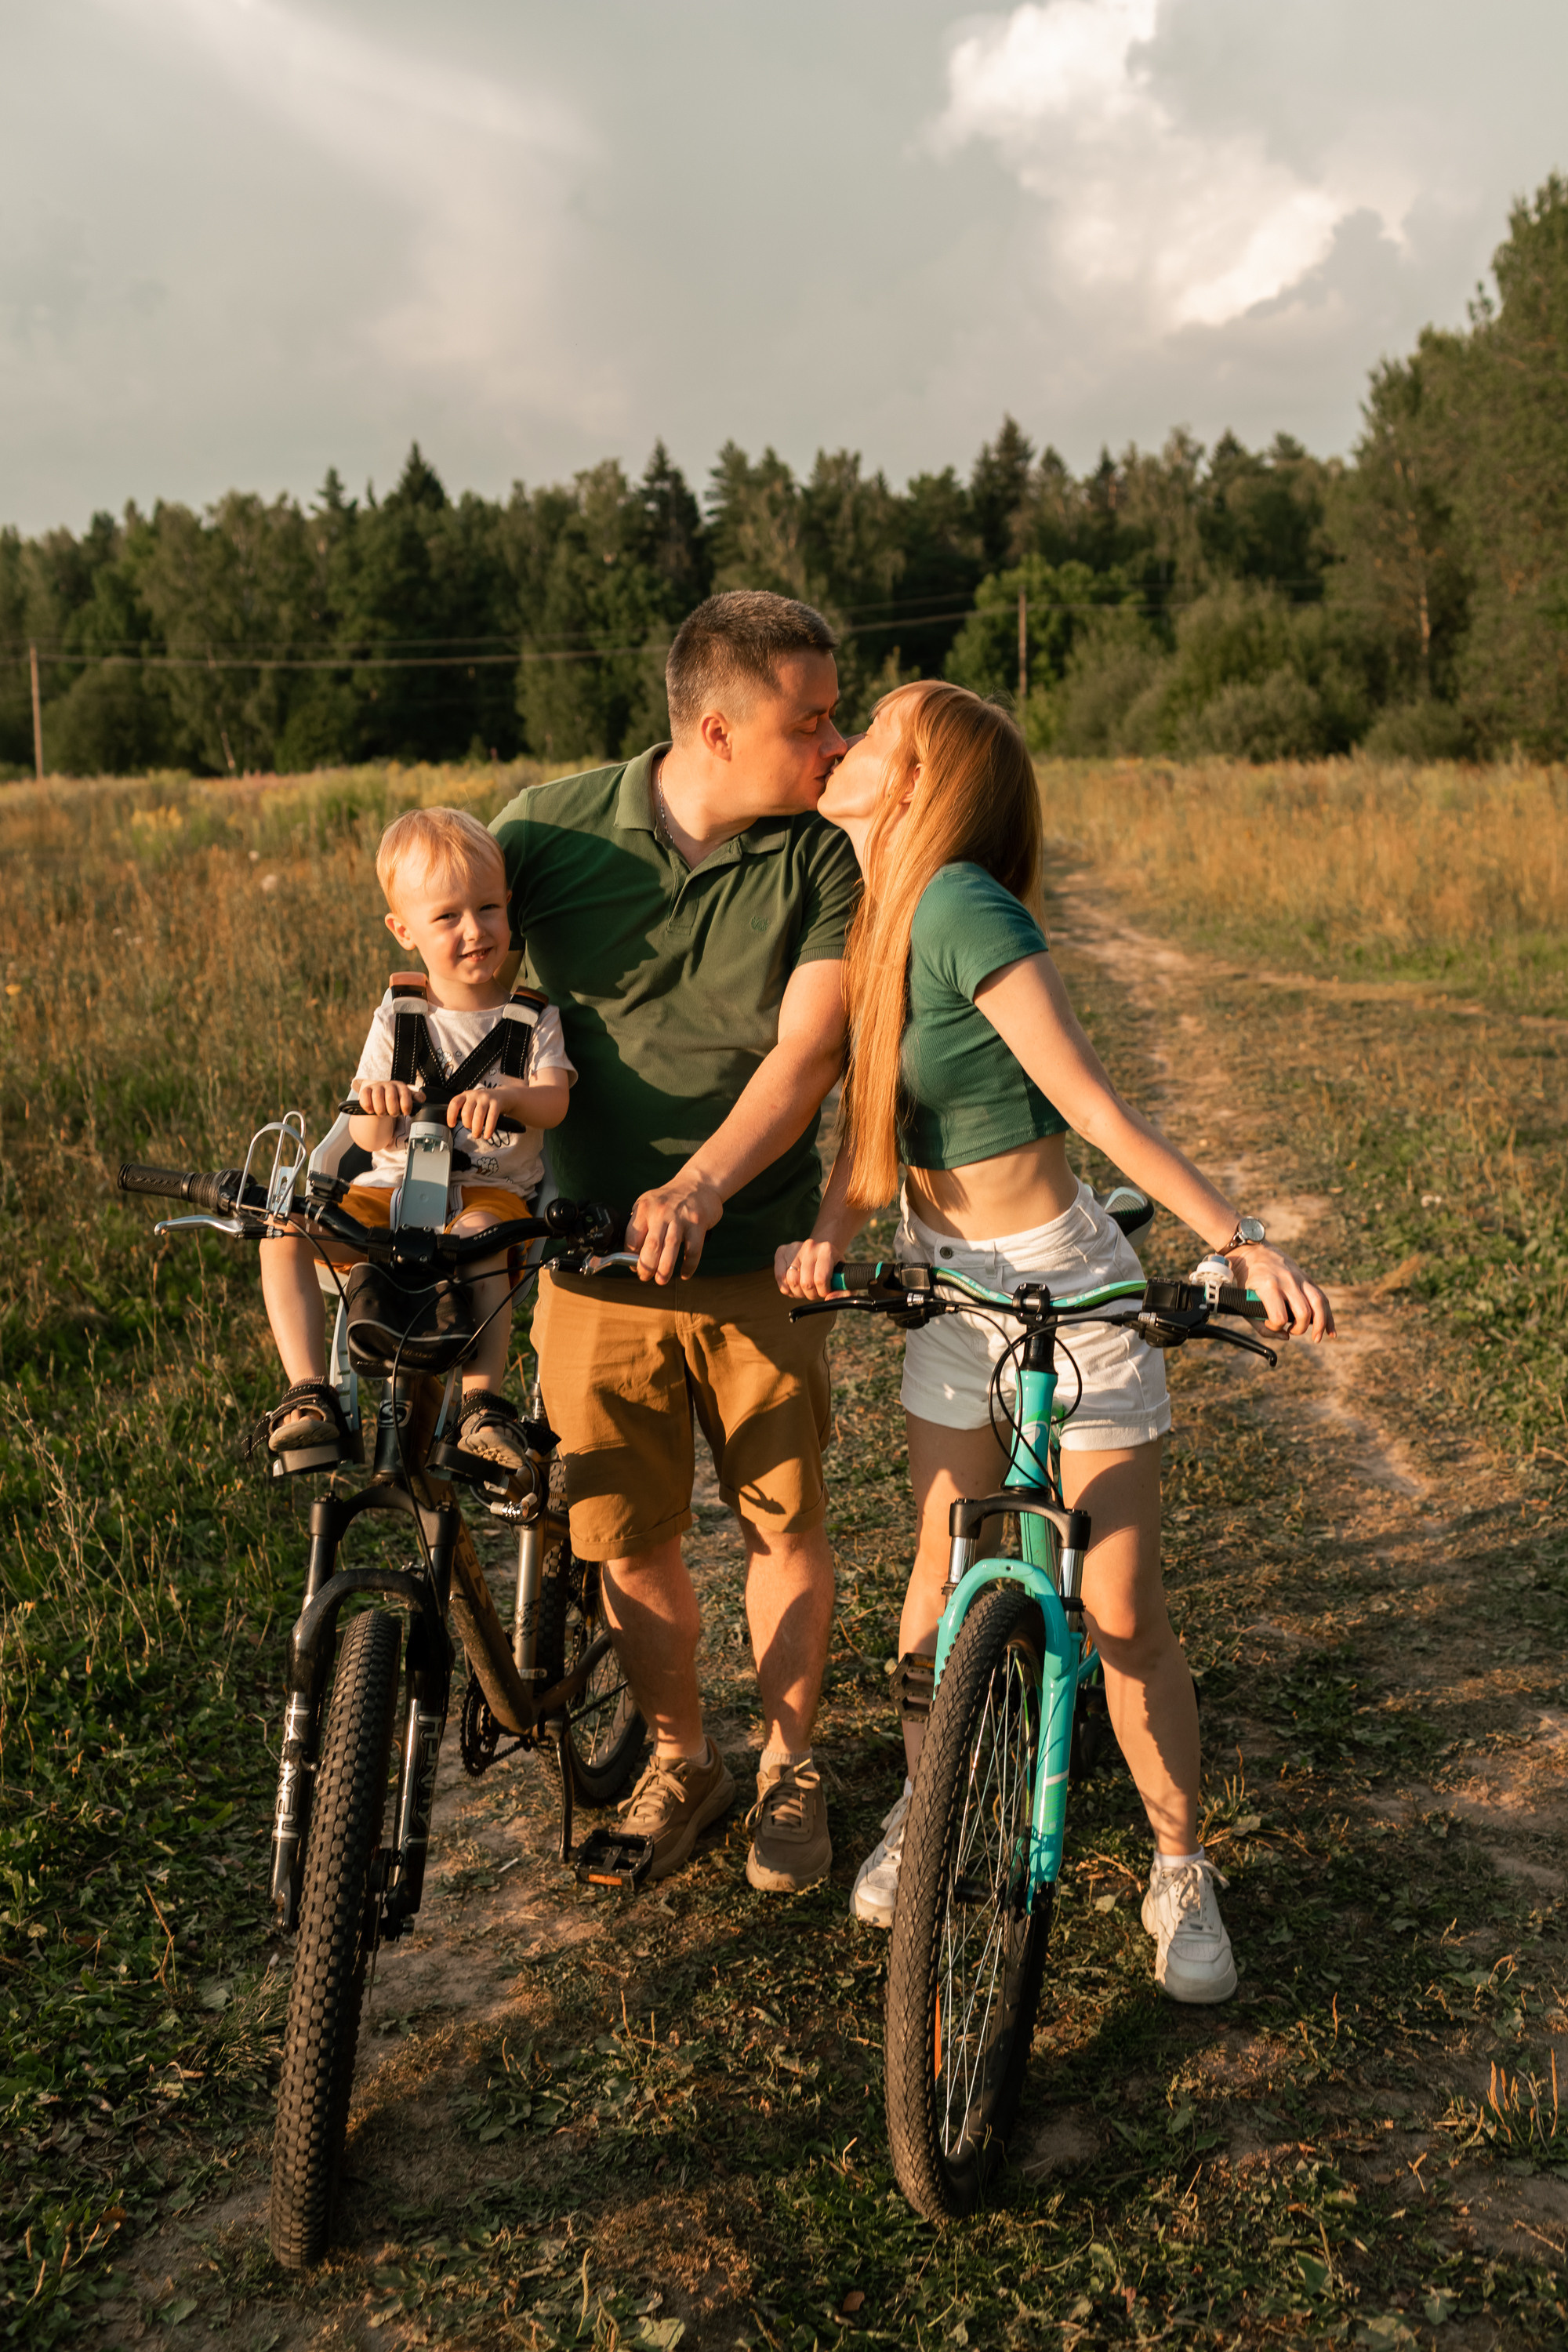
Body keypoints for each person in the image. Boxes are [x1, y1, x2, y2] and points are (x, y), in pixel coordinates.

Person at [777, 681, 1334, 2001]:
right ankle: (932, 1812)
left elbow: (1093, 1102)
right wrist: (821, 1235)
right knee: (936, 1576)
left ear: (927, 783)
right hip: (949, 1285)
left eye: (879, 734)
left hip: (1063, 1283)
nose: (845, 740)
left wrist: (1236, 1235)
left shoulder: (965, 903)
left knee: (1124, 1602)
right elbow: (872, 1148)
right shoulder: (863, 921)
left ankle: (1179, 1861)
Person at [491, 591, 858, 1893]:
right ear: (715, 728)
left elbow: (812, 1048)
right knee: (630, 1538)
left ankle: (792, 1767)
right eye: (809, 721)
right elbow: (451, 966)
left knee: (784, 1525)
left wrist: (705, 1181)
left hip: (758, 1254)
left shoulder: (821, 856)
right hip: (593, 1268)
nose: (835, 743)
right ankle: (683, 1758)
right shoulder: (543, 827)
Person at [259, 807, 575, 1470]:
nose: (475, 931)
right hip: (392, 1190)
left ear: (509, 907)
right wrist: (378, 1103)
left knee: (477, 1239)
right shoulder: (399, 1016)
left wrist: (510, 1096)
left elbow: (554, 1101)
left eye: (489, 908)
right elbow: (368, 1132)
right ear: (404, 931)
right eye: (447, 918)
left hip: (488, 1195)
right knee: (285, 1232)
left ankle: (481, 1405)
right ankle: (308, 1393)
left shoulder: (531, 1016)